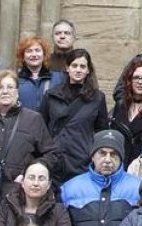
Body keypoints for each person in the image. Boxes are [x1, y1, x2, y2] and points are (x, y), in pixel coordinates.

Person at [0, 70, 56, 195]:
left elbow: (50, 154)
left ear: (17, 92)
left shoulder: (33, 119)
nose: (5, 91)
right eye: (0, 88)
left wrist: (29, 174)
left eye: (10, 87)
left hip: (19, 192)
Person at [40, 49, 110, 181]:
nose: (78, 70)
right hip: (54, 159)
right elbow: (41, 129)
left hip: (81, 160)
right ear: (67, 68)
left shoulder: (97, 98)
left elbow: (102, 132)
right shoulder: (51, 95)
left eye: (82, 66)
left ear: (88, 70)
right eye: (74, 65)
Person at [112, 58, 142, 164]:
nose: (140, 82)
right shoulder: (121, 106)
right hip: (118, 163)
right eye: (136, 78)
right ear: (129, 81)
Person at [15, 36, 61, 112]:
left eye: (37, 50)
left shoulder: (58, 78)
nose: (34, 54)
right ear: (23, 56)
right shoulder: (15, 80)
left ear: (44, 55)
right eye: (29, 51)